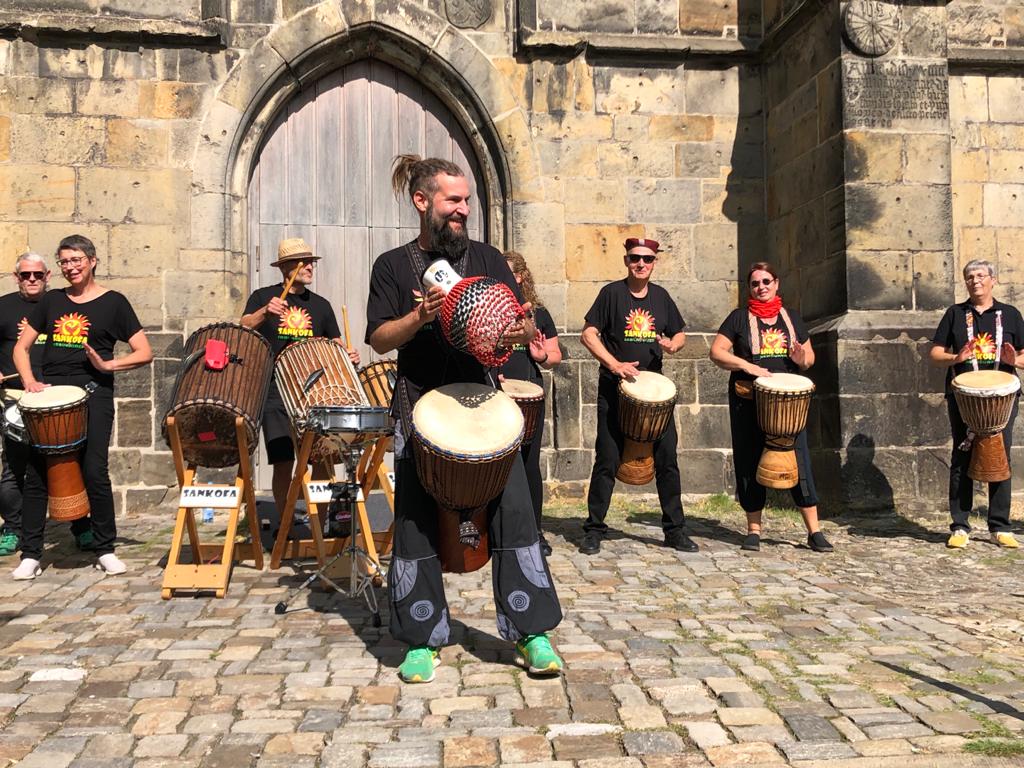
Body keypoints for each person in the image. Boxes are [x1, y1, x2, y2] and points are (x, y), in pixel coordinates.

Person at [366, 155, 563, 683]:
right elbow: (379, 338)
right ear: (422, 201)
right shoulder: (392, 264)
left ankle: (533, 632)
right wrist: (420, 315)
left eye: (467, 201)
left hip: (484, 405)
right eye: (453, 201)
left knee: (515, 511)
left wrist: (516, 332)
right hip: (421, 405)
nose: (463, 210)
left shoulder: (489, 258)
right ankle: (421, 639)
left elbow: (515, 333)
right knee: (413, 522)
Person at [12, 234, 153, 579]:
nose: (70, 267)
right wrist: (30, 382)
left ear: (92, 261)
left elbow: (144, 352)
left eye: (76, 260)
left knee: (94, 472)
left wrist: (108, 367)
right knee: (37, 475)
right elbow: (21, 348)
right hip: (51, 395)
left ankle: (105, 549)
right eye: (64, 262)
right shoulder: (53, 301)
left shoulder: (114, 302)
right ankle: (31, 554)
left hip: (94, 394)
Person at [579, 237, 698, 555]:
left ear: (655, 262)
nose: (641, 263)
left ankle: (675, 530)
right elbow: (588, 334)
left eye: (647, 258)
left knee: (667, 460)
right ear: (626, 260)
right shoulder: (611, 294)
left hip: (654, 395)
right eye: (635, 258)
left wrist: (675, 344)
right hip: (615, 390)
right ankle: (593, 529)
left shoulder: (661, 297)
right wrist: (614, 364)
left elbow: (680, 333)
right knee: (606, 458)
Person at [709, 262, 832, 553]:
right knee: (749, 459)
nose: (761, 287)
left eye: (766, 281)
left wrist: (802, 357)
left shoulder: (791, 318)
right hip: (748, 399)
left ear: (776, 284)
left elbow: (809, 359)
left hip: (787, 403)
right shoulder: (739, 319)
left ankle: (814, 531)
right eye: (755, 283)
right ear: (749, 289)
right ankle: (753, 529)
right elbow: (716, 352)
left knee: (799, 460)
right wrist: (747, 366)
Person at [241, 238, 359, 525]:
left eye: (311, 262)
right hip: (275, 392)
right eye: (302, 262)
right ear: (285, 268)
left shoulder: (320, 305)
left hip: (314, 393)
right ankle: (284, 525)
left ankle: (318, 522)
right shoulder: (264, 296)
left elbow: (335, 344)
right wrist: (264, 313)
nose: (309, 267)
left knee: (320, 459)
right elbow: (242, 326)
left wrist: (348, 355)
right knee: (283, 462)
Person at [930, 259, 1024, 549]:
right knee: (962, 456)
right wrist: (955, 359)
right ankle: (960, 525)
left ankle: (1000, 526)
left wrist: (1014, 361)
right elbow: (935, 353)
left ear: (992, 280)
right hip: (963, 397)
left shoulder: (1010, 314)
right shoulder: (955, 314)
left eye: (981, 275)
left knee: (1000, 457)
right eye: (970, 276)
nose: (975, 281)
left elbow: (1023, 355)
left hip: (1002, 399)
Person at [499, 251, 561, 557]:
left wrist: (541, 357)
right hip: (495, 392)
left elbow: (555, 356)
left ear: (521, 277)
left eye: (508, 273)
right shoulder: (489, 311)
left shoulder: (538, 313)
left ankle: (534, 532)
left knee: (528, 463)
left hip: (528, 392)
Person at [0, 252, 51, 556]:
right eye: (25, 275)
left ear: (48, 276)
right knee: (14, 467)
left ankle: (79, 524)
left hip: (57, 396)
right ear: (16, 277)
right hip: (14, 396)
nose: (32, 280)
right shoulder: (3, 306)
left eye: (38, 275)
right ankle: (12, 528)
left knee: (68, 466)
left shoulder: (59, 304)